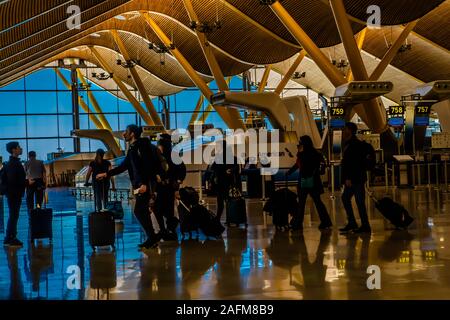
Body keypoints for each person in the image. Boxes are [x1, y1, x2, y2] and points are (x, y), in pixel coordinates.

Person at [96, 125, 160, 249]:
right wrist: (106, 174)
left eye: (126, 132)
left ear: (132, 134)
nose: (123, 134)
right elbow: (123, 166)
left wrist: (145, 184)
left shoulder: (141, 147)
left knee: (139, 211)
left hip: (143, 185)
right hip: (138, 185)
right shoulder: (132, 149)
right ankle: (152, 237)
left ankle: (152, 237)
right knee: (143, 211)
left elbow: (148, 166)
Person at [286, 135, 332, 231]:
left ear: (304, 143)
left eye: (301, 142)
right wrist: (290, 171)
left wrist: (299, 153)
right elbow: (300, 164)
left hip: (304, 181)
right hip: (314, 181)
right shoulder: (315, 153)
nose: (299, 144)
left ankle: (298, 223)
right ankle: (326, 221)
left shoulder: (304, 153)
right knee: (317, 202)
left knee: (302, 203)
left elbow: (301, 164)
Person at [339, 122, 372, 234]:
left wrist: (348, 178)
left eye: (345, 129)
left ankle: (365, 225)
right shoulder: (348, 143)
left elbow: (353, 163)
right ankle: (353, 223)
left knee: (359, 201)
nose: (343, 131)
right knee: (346, 198)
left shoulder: (354, 144)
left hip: (355, 179)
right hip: (355, 178)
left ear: (350, 130)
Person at [154, 133, 186, 241]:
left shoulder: (172, 157)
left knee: (165, 210)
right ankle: (167, 229)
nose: (159, 148)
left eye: (160, 145)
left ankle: (168, 230)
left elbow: (182, 170)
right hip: (161, 188)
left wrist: (177, 183)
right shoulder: (160, 157)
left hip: (168, 188)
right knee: (160, 210)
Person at [1, 142, 27, 247]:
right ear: (13, 150)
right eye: (19, 147)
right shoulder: (14, 164)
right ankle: (12, 238)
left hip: (12, 193)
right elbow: (13, 181)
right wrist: (27, 182)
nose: (21, 149)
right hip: (14, 194)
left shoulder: (11, 163)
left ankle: (8, 238)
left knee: (13, 215)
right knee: (14, 216)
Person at [210, 140, 240, 220]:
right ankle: (221, 217)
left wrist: (229, 170)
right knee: (223, 200)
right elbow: (213, 168)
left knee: (226, 200)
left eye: (218, 146)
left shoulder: (229, 157)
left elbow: (235, 167)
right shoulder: (219, 157)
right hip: (222, 181)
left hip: (226, 181)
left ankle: (224, 217)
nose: (217, 148)